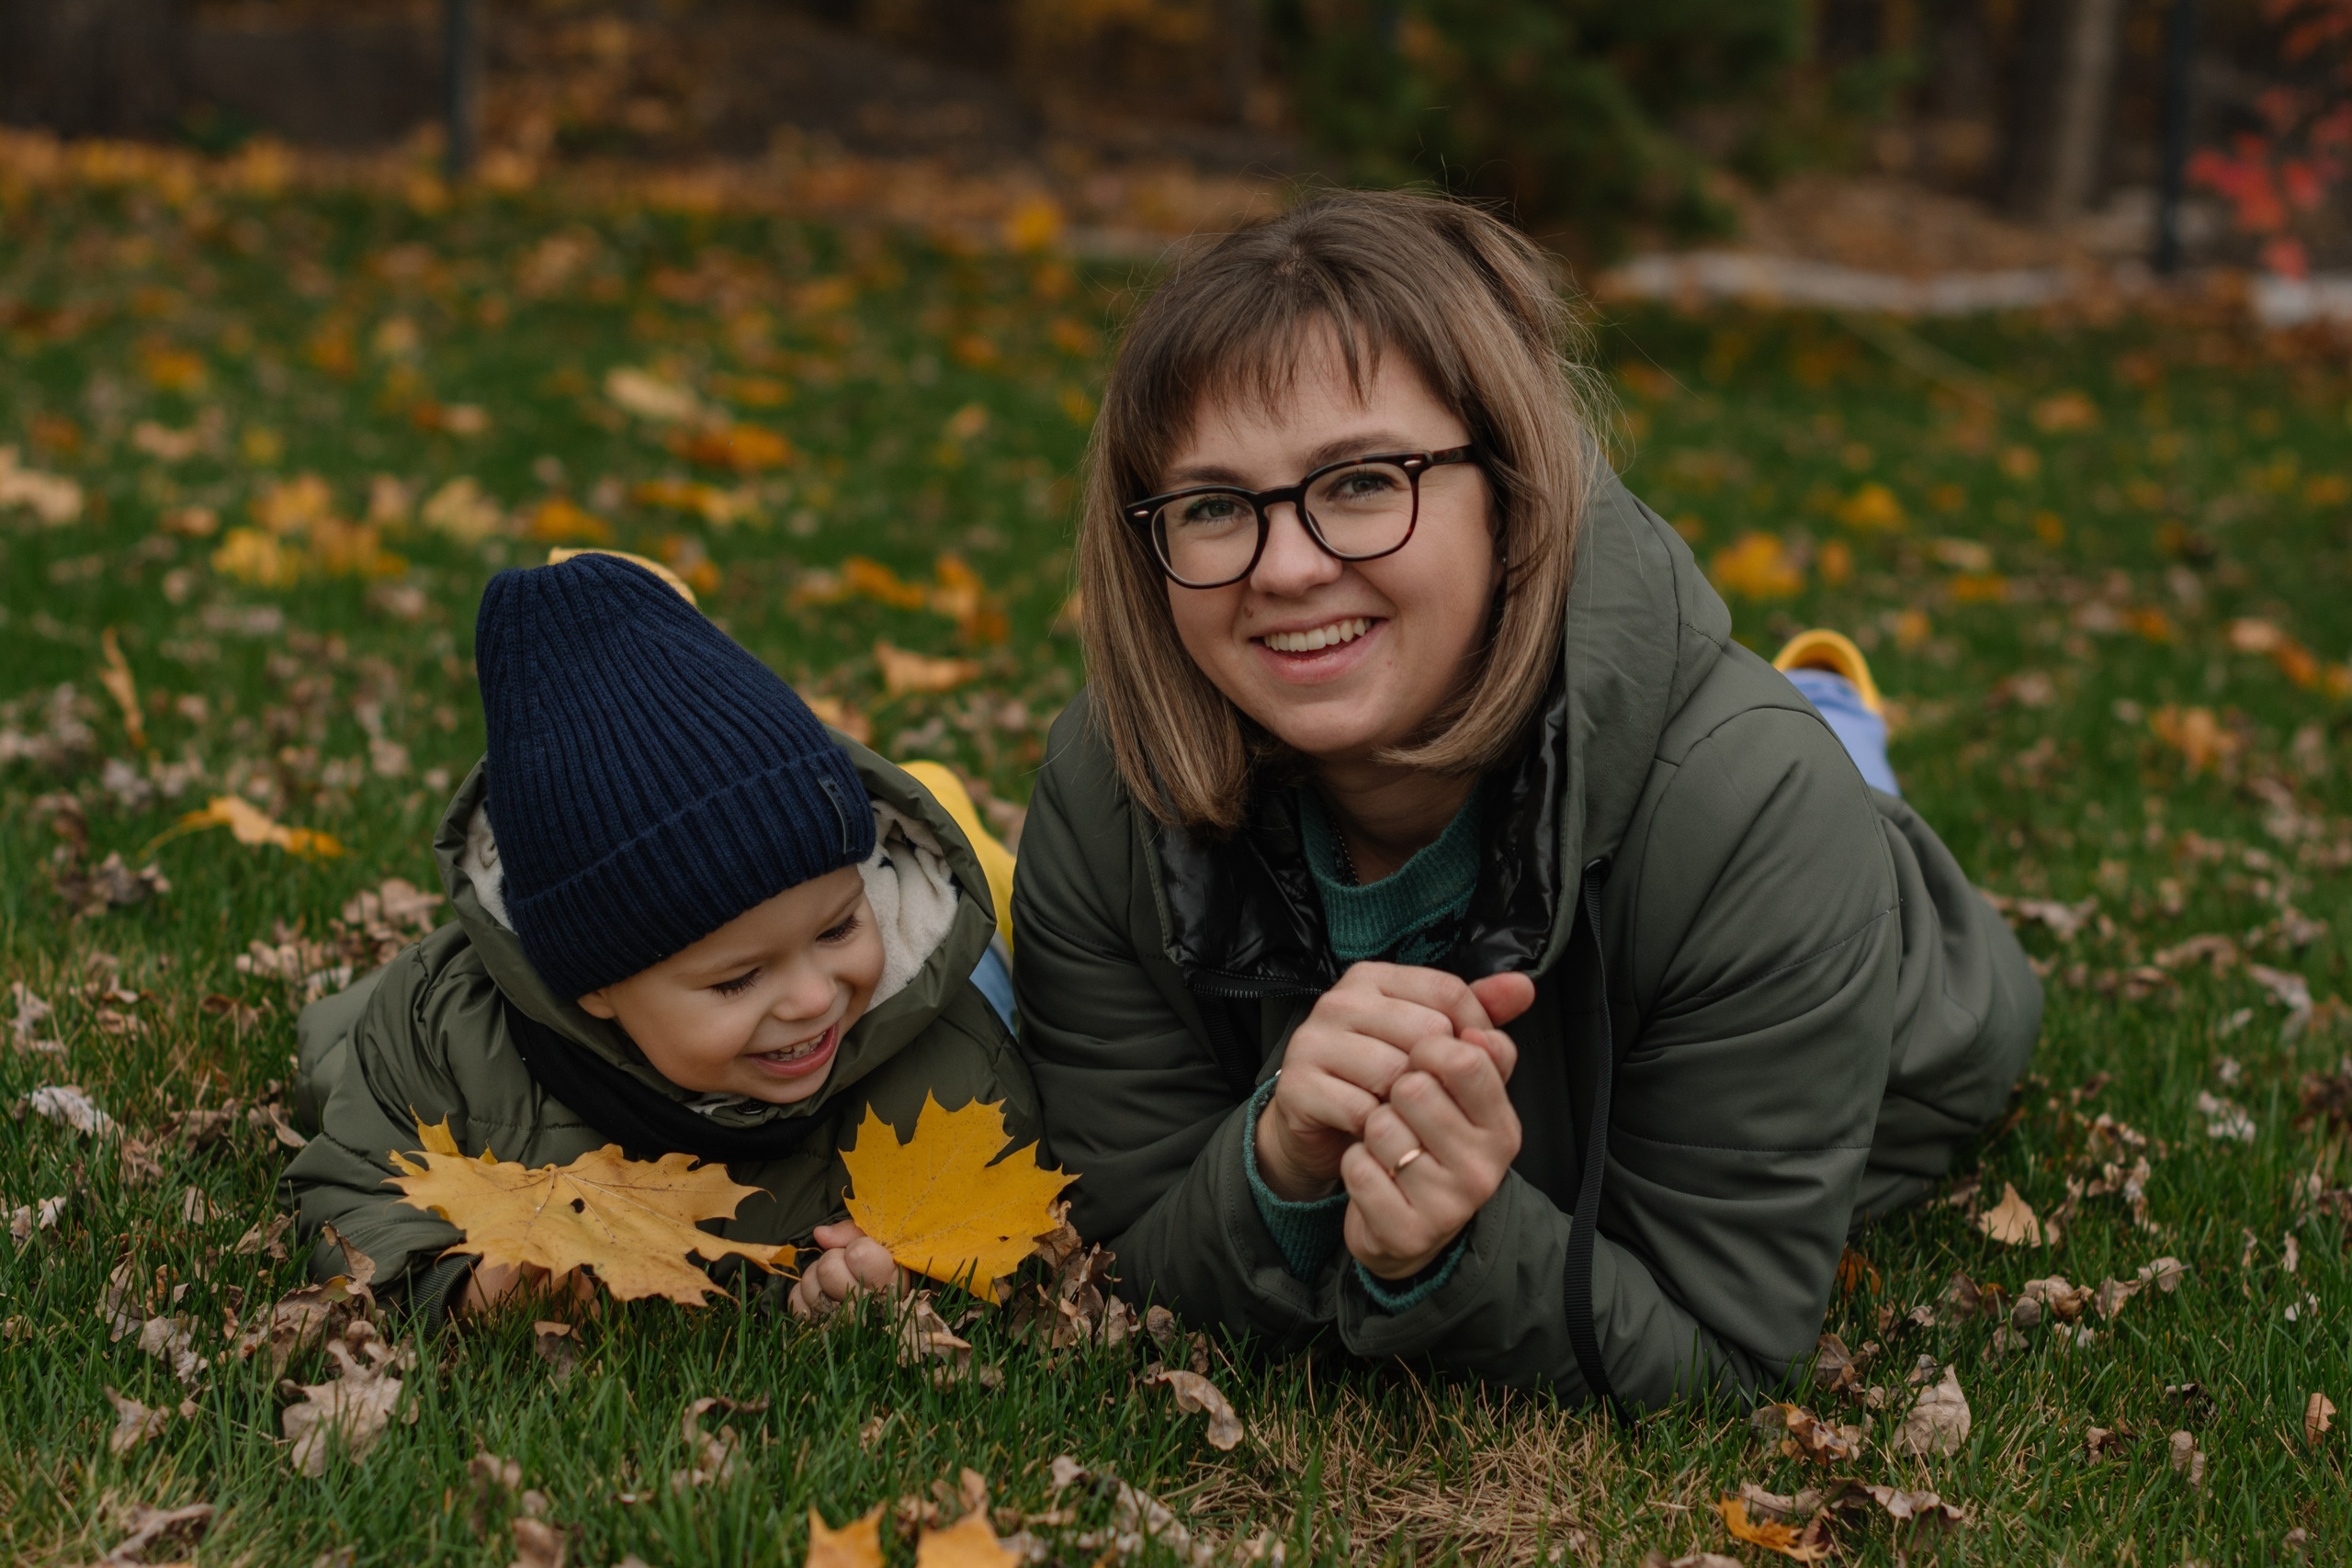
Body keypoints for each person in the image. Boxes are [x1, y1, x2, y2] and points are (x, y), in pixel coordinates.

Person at [1012, 190, 2040, 1409]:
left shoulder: (1756, 814)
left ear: (1510, 489)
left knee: (1789, 776)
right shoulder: (1108, 786)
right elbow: (1128, 1257)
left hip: (1871, 945)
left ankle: (1838, 730)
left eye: (1360, 481)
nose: (1285, 567)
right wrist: (1277, 1158)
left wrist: (1457, 1245)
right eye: (1216, 505)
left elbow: (1725, 1351)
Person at [285, 551, 1028, 1321]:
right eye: (738, 978)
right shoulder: (442, 1035)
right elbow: (352, 1182)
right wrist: (459, 1288)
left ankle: (950, 812)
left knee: (1003, 938)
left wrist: (907, 1272)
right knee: (336, 1047)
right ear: (595, 986)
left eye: (840, 926)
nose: (813, 996)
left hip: (973, 966)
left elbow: (1006, 1190)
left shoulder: (940, 1053)